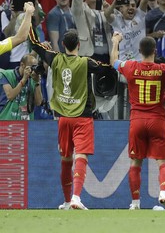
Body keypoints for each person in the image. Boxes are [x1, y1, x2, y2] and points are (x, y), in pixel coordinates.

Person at [30, 13, 114, 210]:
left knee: (66, 160)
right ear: (78, 44)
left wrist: (28, 17)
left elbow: (34, 43)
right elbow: (109, 68)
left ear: (62, 44)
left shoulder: (55, 59)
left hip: (63, 119)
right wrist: (115, 43)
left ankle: (67, 201)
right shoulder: (86, 62)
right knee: (81, 157)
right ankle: (76, 197)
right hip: (82, 117)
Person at [111, 34, 165, 210]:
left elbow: (114, 62)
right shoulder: (163, 70)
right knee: (163, 162)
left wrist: (115, 42)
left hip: (137, 121)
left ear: (139, 51)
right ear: (155, 51)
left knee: (135, 163)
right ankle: (163, 193)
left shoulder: (130, 67)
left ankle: (135, 203)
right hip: (157, 121)